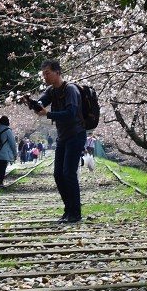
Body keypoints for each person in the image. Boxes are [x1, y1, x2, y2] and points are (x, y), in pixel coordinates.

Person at [30, 60, 87, 223]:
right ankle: (68, 210)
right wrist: (35, 104)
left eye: (47, 73)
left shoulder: (70, 90)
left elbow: (70, 113)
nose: (45, 76)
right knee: (58, 175)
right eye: (43, 74)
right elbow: (43, 101)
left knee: (68, 173)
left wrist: (47, 114)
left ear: (57, 72)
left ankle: (75, 213)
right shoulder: (51, 90)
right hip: (62, 137)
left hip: (76, 135)